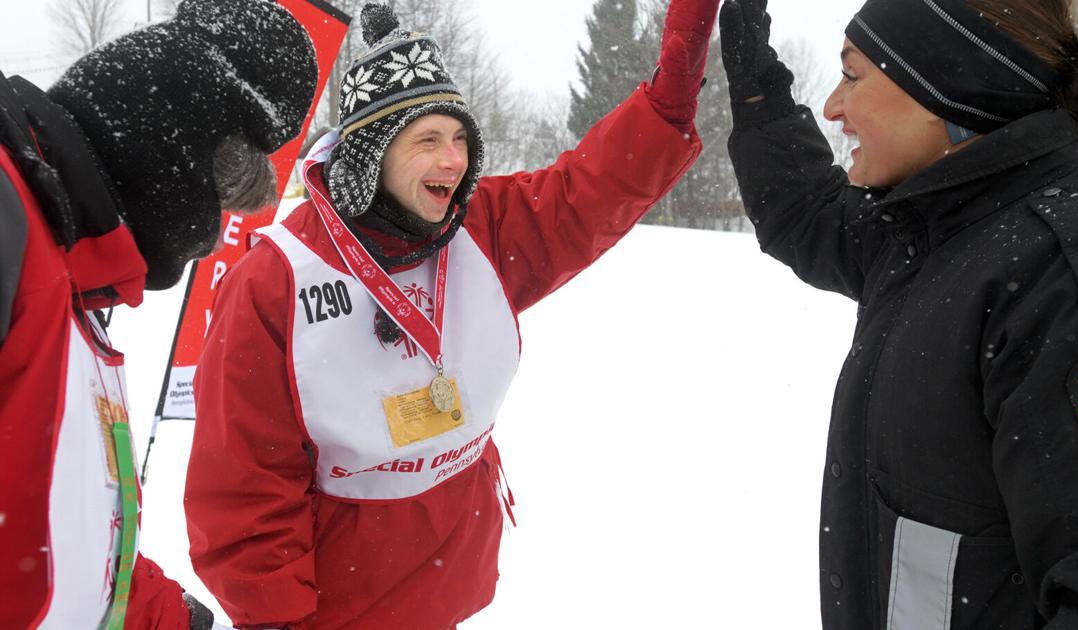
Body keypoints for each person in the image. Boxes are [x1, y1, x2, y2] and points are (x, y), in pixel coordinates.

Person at [183, 0, 715, 628]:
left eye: (460, 138)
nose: (453, 160)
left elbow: (583, 195)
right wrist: (276, 619)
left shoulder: (480, 228)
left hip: (452, 585)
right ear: (372, 154)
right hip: (341, 610)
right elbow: (245, 486)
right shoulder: (275, 281)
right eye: (428, 141)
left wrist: (667, 104)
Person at [720, 0, 1078, 627]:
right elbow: (810, 215)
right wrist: (758, 88)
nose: (835, 106)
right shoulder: (944, 227)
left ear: (946, 90)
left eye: (854, 76)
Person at [0, 1, 317, 628]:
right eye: (217, 203)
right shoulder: (10, 222)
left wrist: (165, 618)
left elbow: (64, 544)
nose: (206, 237)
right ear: (176, 152)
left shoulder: (73, 280)